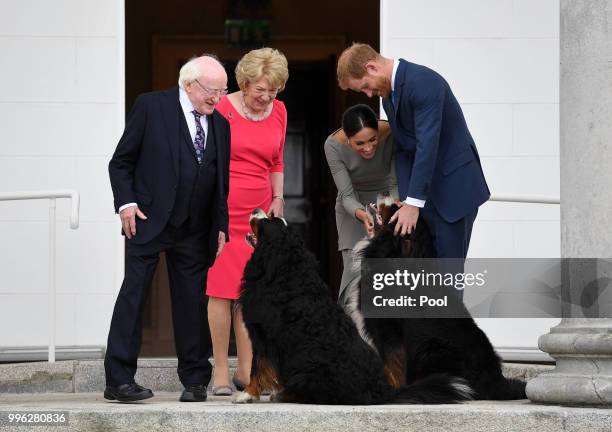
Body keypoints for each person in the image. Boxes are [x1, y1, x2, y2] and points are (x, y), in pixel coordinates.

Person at [105, 55, 230, 403]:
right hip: (148, 218)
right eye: (211, 91)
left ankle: (194, 380)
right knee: (135, 295)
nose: (217, 99)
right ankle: (118, 379)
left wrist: (220, 225)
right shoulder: (151, 106)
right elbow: (121, 161)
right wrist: (126, 203)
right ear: (189, 84)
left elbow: (222, 182)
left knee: (191, 302)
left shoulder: (221, 124)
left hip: (196, 226)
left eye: (222, 91)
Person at [336, 43, 490, 285]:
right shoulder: (389, 96)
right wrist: (406, 199)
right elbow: (405, 151)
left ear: (372, 67)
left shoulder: (424, 82)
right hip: (424, 197)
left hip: (454, 192)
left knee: (448, 280)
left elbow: (427, 145)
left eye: (365, 86)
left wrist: (413, 203)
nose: (367, 94)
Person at [206, 47, 288, 395]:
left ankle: (247, 370)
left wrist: (279, 198)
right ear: (244, 82)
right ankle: (221, 372)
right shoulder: (223, 109)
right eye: (260, 90)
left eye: (272, 91)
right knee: (221, 291)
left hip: (258, 214)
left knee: (250, 291)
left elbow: (276, 161)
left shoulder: (279, 111)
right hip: (224, 210)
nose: (266, 97)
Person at [324, 104, 396, 305]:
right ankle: (351, 331)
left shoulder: (391, 132)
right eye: (360, 143)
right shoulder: (332, 145)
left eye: (373, 140)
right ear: (348, 140)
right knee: (355, 272)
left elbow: (394, 182)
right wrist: (362, 214)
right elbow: (346, 195)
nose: (368, 147)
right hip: (352, 208)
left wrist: (388, 209)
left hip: (387, 201)